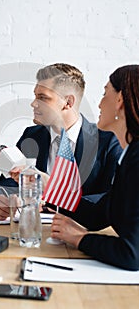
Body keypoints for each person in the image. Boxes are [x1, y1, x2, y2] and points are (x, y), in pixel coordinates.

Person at [0, 63, 122, 220]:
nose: (33, 103)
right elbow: (6, 184)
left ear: (68, 103)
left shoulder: (109, 142)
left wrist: (54, 193)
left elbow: (109, 200)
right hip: (34, 232)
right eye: (35, 96)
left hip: (82, 233)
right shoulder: (31, 136)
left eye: (43, 97)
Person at [50, 65, 139, 270]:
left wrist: (80, 238)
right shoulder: (129, 157)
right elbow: (99, 215)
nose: (99, 104)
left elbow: (132, 254)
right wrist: (51, 188)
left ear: (119, 101)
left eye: (104, 93)